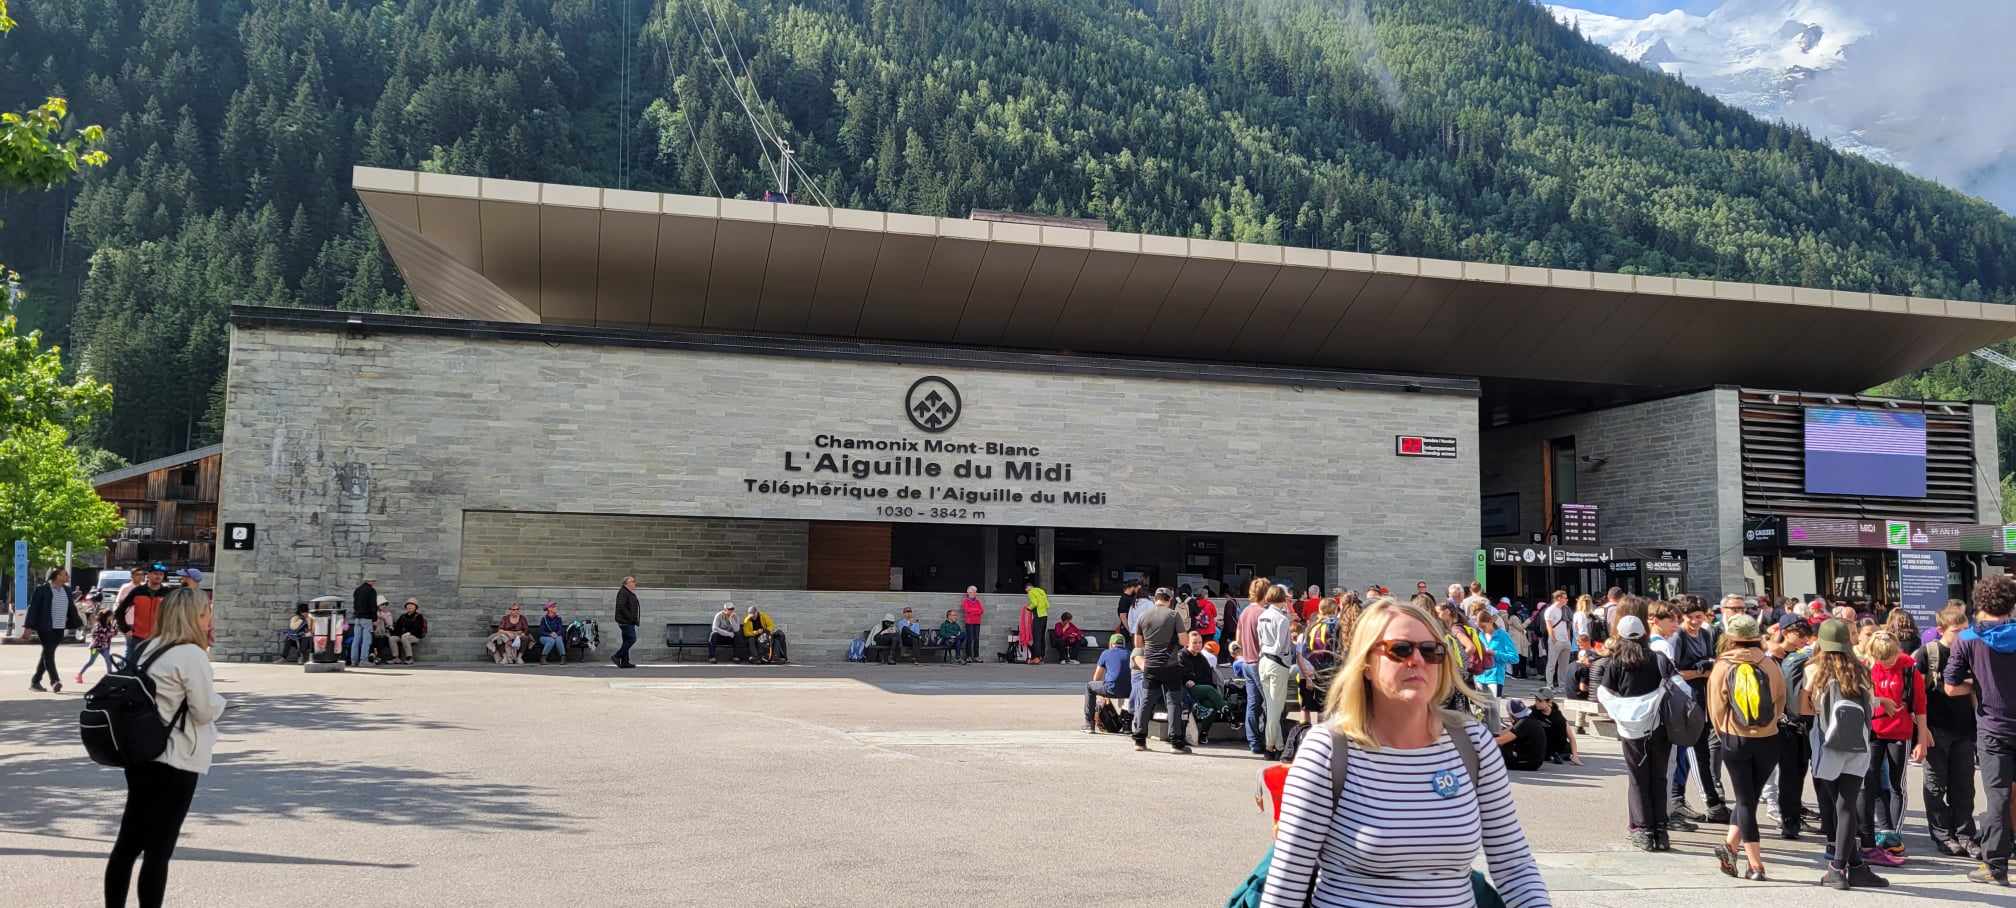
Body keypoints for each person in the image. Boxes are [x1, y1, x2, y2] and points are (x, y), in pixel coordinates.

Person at [1259, 596, 1551, 907]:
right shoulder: (1327, 750)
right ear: (1366, 664)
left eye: (1431, 651)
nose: (1417, 660)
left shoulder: (1474, 744)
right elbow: (1286, 884)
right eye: (1400, 650)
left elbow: (1514, 866)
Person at [103, 587, 226, 908]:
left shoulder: (149, 647)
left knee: (128, 843)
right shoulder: (191, 654)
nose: (210, 616)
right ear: (196, 616)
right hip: (176, 760)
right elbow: (203, 710)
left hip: (141, 753)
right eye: (207, 611)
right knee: (159, 850)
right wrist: (222, 703)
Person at [1944, 574, 2016, 886]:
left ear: (1979, 603)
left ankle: (1995, 866)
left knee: (1998, 796)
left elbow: (1950, 687)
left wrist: (1979, 684)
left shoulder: (1968, 639)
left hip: (1993, 727)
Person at [1806, 619, 1887, 890]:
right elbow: (1872, 709)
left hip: (1827, 744)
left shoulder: (1814, 670)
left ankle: (1837, 868)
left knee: (1838, 805)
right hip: (1859, 744)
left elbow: (1803, 708)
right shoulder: (1863, 670)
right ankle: (1857, 866)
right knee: (1848, 804)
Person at [1705, 614, 1786, 880]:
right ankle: (1729, 847)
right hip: (1768, 738)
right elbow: (1780, 701)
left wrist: (1725, 732)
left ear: (1730, 638)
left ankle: (1755, 865)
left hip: (1735, 737)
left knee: (1745, 800)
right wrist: (1768, 724)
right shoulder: (1770, 664)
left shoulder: (1722, 666)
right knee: (1749, 797)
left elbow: (1716, 709)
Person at [1596, 615, 1679, 851]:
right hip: (1659, 725)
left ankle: (1642, 830)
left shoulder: (1616, 662)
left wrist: (1623, 711)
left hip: (1631, 729)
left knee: (1637, 778)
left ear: (1619, 637)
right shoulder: (1658, 659)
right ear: (1644, 634)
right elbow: (1678, 685)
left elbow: (1604, 694)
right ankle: (1661, 830)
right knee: (1659, 777)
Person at [1861, 629, 1926, 864]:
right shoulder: (1866, 667)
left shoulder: (1909, 668)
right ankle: (1884, 829)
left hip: (1901, 731)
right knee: (1872, 780)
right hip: (1875, 731)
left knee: (1898, 783)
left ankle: (1895, 834)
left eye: (1889, 659)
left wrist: (1922, 739)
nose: (1885, 663)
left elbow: (1920, 706)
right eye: (1881, 659)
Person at [1920, 603, 1980, 857]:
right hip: (1936, 728)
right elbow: (1916, 696)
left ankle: (1965, 834)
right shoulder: (1928, 654)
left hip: (1964, 729)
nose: (1963, 635)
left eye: (1966, 630)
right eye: (1957, 630)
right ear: (1941, 629)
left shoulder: (1971, 651)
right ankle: (1943, 834)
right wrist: (1920, 732)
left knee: (1964, 786)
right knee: (1935, 785)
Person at [1670, 597, 1727, 825]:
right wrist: (1699, 672)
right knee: (1694, 751)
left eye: (1699, 616)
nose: (1695, 621)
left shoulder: (1706, 634)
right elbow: (1674, 672)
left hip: (1704, 697)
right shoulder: (1678, 637)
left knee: (1698, 750)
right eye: (1690, 617)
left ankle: (1692, 800)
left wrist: (1709, 665)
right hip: (1686, 699)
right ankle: (1708, 802)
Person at [1772, 616, 1817, 840]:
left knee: (1798, 773)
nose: (1803, 640)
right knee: (1789, 775)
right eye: (1799, 635)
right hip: (1785, 723)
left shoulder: (1794, 656)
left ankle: (1794, 815)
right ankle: (1789, 821)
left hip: (1802, 721)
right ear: (1785, 632)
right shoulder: (1777, 657)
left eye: (1805, 636)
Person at [1130, 588, 1190, 752]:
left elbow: (1138, 644)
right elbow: (1184, 641)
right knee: (1173, 702)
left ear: (1155, 598)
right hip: (1170, 665)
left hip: (1150, 665)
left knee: (1146, 701)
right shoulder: (1173, 615)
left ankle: (1139, 740)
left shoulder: (1143, 616)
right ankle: (1176, 742)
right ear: (1169, 600)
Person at [1238, 577, 1272, 755]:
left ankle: (1253, 742)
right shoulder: (1263, 614)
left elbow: (1237, 640)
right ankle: (1268, 739)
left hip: (1246, 661)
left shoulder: (1245, 612)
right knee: (1268, 703)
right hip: (1260, 662)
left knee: (1252, 704)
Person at [26, 566, 73, 692]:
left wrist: (76, 621)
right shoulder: (42, 590)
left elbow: (71, 608)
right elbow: (33, 609)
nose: (67, 577)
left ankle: (35, 681)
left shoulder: (67, 590)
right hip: (45, 626)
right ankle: (55, 681)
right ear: (57, 576)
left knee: (47, 654)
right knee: (49, 653)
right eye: (65, 574)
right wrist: (28, 627)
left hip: (60, 627)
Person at [118, 566, 172, 662]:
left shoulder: (167, 593)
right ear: (149, 575)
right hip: (138, 637)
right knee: (133, 665)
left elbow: (175, 613)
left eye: (161, 574)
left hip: (160, 637)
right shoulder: (138, 591)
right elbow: (120, 611)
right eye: (155, 573)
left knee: (157, 666)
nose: (158, 576)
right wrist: (125, 629)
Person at [1081, 633, 1132, 733]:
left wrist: (1102, 694)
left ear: (1111, 643)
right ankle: (1127, 726)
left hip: (1111, 688)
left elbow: (1097, 677)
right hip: (1129, 690)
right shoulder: (1130, 653)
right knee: (1130, 694)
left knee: (1089, 686)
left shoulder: (1106, 653)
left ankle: (1089, 724)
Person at [1179, 631, 1226, 732]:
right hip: (1188, 690)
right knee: (1209, 689)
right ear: (1187, 643)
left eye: (1200, 643)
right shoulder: (1182, 656)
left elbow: (1208, 676)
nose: (1198, 645)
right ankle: (1227, 711)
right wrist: (1187, 681)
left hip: (1202, 689)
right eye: (1195, 643)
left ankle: (1204, 733)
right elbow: (1181, 675)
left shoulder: (1202, 658)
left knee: (1211, 706)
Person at [1474, 609, 1519, 699]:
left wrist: (1495, 653)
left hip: (1495, 678)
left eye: (1483, 626)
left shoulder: (1503, 635)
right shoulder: (1480, 635)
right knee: (1480, 711)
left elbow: (1514, 658)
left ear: (1490, 621)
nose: (1482, 629)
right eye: (1480, 627)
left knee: (1493, 711)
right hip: (1479, 677)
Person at [1528, 688, 1580, 764]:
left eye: (1540, 701)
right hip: (1542, 744)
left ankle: (1560, 755)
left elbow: (1571, 737)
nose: (1536, 703)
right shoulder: (1531, 711)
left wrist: (1575, 756)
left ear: (1549, 702)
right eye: (1535, 700)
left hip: (1558, 746)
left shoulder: (1558, 717)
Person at [1543, 590, 1573, 695]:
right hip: (1556, 640)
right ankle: (1549, 685)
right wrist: (1553, 639)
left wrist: (1568, 639)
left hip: (1565, 640)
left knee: (1564, 665)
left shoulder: (1566, 609)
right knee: (1552, 663)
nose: (1567, 600)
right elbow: (1549, 626)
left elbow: (1568, 625)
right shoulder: (1550, 610)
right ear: (1559, 598)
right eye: (1565, 598)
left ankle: (1562, 685)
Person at [77, 608, 119, 683]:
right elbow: (96, 634)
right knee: (91, 662)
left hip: (104, 647)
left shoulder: (109, 624)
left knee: (108, 661)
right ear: (107, 616)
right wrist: (108, 634)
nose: (112, 617)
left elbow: (111, 634)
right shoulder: (98, 624)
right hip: (96, 647)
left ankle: (110, 677)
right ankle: (79, 675)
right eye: (111, 616)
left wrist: (115, 630)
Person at [612, 576, 641, 669]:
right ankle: (617, 656)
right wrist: (631, 618)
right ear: (626, 583)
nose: (634, 583)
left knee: (626, 640)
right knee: (632, 639)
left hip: (628, 621)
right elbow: (621, 607)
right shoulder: (623, 592)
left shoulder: (628, 592)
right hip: (626, 621)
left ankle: (625, 662)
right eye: (632, 581)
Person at [349, 577, 377, 668]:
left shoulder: (357, 590)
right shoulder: (371, 591)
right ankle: (363, 660)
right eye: (374, 581)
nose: (374, 582)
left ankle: (354, 661)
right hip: (367, 618)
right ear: (370, 581)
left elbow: (355, 605)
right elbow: (373, 606)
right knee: (366, 640)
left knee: (356, 640)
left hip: (357, 618)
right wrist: (374, 619)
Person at [388, 599, 427, 664]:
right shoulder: (403, 616)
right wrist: (392, 630)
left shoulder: (418, 616)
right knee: (392, 639)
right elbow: (397, 627)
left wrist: (409, 633)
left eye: (412, 605)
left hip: (415, 636)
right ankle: (396, 658)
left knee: (405, 637)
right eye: (408, 605)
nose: (410, 606)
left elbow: (418, 628)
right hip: (402, 636)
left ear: (415, 607)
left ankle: (409, 658)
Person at [1024, 580, 1050, 665]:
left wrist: (1028, 608)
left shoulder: (1031, 592)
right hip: (1045, 616)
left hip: (1038, 616)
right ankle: (1042, 656)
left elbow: (1034, 603)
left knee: (1037, 637)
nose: (1027, 592)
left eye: (1026, 590)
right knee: (1042, 637)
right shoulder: (1041, 591)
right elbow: (1047, 604)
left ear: (1028, 587)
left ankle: (1036, 658)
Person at [959, 586, 985, 665]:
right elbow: (967, 610)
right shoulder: (965, 601)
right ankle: (968, 656)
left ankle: (976, 656)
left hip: (977, 622)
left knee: (976, 639)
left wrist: (973, 611)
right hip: (969, 622)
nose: (973, 594)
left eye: (974, 592)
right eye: (971, 592)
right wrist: (976, 611)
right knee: (969, 639)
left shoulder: (978, 601)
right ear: (968, 593)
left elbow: (981, 611)